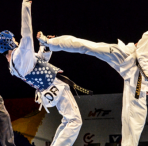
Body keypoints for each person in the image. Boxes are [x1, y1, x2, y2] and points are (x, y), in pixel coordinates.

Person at [37, 10, 148, 146]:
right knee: (91, 47)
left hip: (141, 77)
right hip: (128, 56)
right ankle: (50, 42)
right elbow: (143, 53)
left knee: (136, 121)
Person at [0, 0, 92, 145]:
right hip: (54, 86)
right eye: (12, 39)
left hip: (50, 88)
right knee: (74, 121)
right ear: (8, 42)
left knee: (69, 120)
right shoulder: (19, 56)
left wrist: (45, 46)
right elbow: (26, 33)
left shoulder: (16, 63)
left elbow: (41, 61)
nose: (16, 40)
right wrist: (26, 6)